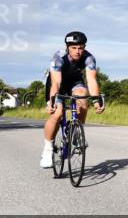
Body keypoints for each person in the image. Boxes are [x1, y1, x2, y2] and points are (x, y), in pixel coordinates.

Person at [40, 31, 104, 167]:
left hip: (75, 82)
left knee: (83, 99)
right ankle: (47, 149)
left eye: (80, 47)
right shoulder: (58, 57)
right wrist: (52, 102)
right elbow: (56, 82)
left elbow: (91, 80)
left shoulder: (89, 58)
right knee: (57, 114)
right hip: (57, 83)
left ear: (84, 47)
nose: (77, 51)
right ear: (67, 47)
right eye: (74, 48)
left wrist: (96, 101)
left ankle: (75, 135)